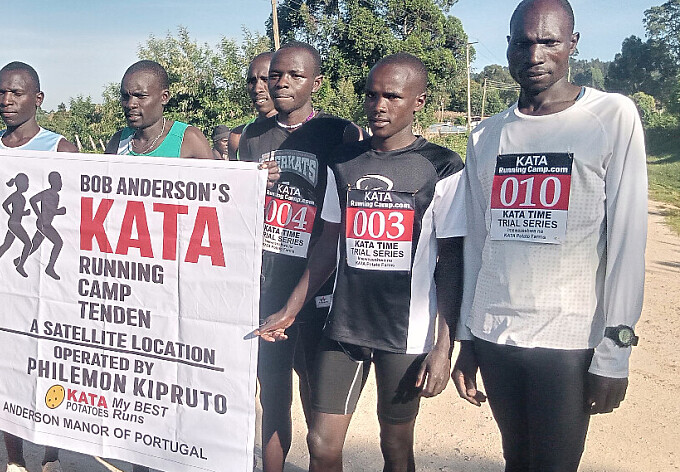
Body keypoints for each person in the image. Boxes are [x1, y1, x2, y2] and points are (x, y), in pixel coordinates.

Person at [450, 1, 647, 470]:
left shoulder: (611, 116)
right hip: (496, 335)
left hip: (569, 340)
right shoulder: (485, 135)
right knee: (516, 459)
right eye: (523, 43)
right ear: (508, 46)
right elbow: (477, 243)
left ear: (572, 44)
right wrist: (467, 337)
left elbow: (627, 241)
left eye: (549, 42)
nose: (535, 55)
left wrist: (615, 352)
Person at [259, 52, 465, 472]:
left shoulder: (442, 165)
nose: (379, 106)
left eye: (392, 96)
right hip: (344, 326)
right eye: (371, 95)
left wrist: (444, 347)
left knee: (395, 446)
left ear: (419, 101)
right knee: (322, 444)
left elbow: (450, 263)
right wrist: (290, 309)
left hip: (405, 335)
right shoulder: (344, 161)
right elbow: (326, 247)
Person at [239, 41, 361, 472]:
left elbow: (350, 206)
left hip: (318, 287)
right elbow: (237, 210)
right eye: (275, 75)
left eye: (295, 75)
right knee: (273, 397)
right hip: (269, 283)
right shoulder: (253, 137)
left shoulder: (339, 133)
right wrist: (251, 183)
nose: (282, 82)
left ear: (317, 82)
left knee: (318, 408)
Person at [0, 61, 75, 472]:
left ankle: (51, 454)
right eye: (1, 92)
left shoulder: (60, 148)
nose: (7, 101)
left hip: (51, 282)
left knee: (51, 361)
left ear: (37, 98)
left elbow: (77, 214)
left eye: (17, 93)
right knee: (8, 361)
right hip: (5, 281)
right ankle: (14, 458)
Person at [103, 60, 215, 159]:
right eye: (125, 96)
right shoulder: (118, 142)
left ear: (164, 97)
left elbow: (213, 176)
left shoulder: (188, 139)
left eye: (141, 96)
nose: (130, 104)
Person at [228, 51, 277, 161]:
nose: (257, 89)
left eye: (265, 80)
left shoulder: (301, 130)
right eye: (252, 81)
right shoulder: (238, 136)